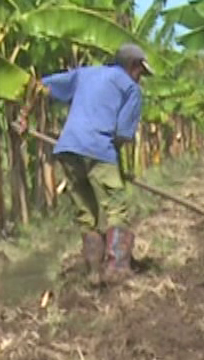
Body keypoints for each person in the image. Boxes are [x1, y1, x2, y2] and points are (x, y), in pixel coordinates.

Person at [30, 43, 151, 282]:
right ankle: (116, 269)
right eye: (140, 72)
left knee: (86, 212)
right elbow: (123, 133)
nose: (140, 78)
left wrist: (25, 115)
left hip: (68, 148)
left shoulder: (85, 74)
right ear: (133, 66)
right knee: (116, 207)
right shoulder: (131, 89)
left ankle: (93, 271)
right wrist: (113, 162)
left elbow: (41, 86)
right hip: (99, 147)